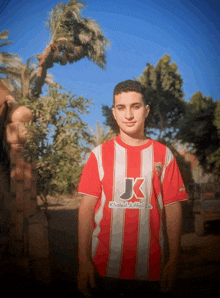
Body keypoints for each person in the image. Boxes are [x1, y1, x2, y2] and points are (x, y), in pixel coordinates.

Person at [77, 80, 188, 297]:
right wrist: (83, 261)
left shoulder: (164, 155)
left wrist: (174, 260)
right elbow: (86, 210)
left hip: (152, 271)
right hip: (104, 269)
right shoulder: (98, 155)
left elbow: (173, 208)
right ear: (114, 113)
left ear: (146, 111)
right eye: (121, 108)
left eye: (135, 106)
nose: (128, 114)